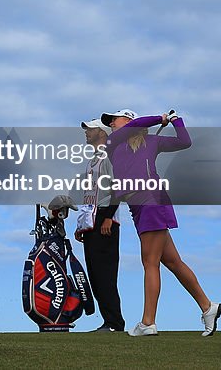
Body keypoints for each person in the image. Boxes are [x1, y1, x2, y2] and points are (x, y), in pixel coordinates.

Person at [100, 109, 221, 337]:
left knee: (150, 262)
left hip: (151, 202)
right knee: (173, 262)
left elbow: (184, 141)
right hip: (140, 207)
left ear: (128, 121)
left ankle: (148, 322)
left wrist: (175, 120)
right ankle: (208, 307)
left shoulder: (152, 141)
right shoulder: (113, 143)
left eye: (113, 121)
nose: (110, 125)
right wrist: (160, 119)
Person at [75, 118, 125, 332]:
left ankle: (115, 322)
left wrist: (108, 217)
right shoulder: (93, 159)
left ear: (102, 133)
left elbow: (119, 187)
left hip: (106, 217)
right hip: (93, 219)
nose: (87, 132)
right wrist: (82, 225)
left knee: (105, 273)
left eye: (91, 129)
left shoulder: (109, 156)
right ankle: (109, 321)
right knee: (95, 273)